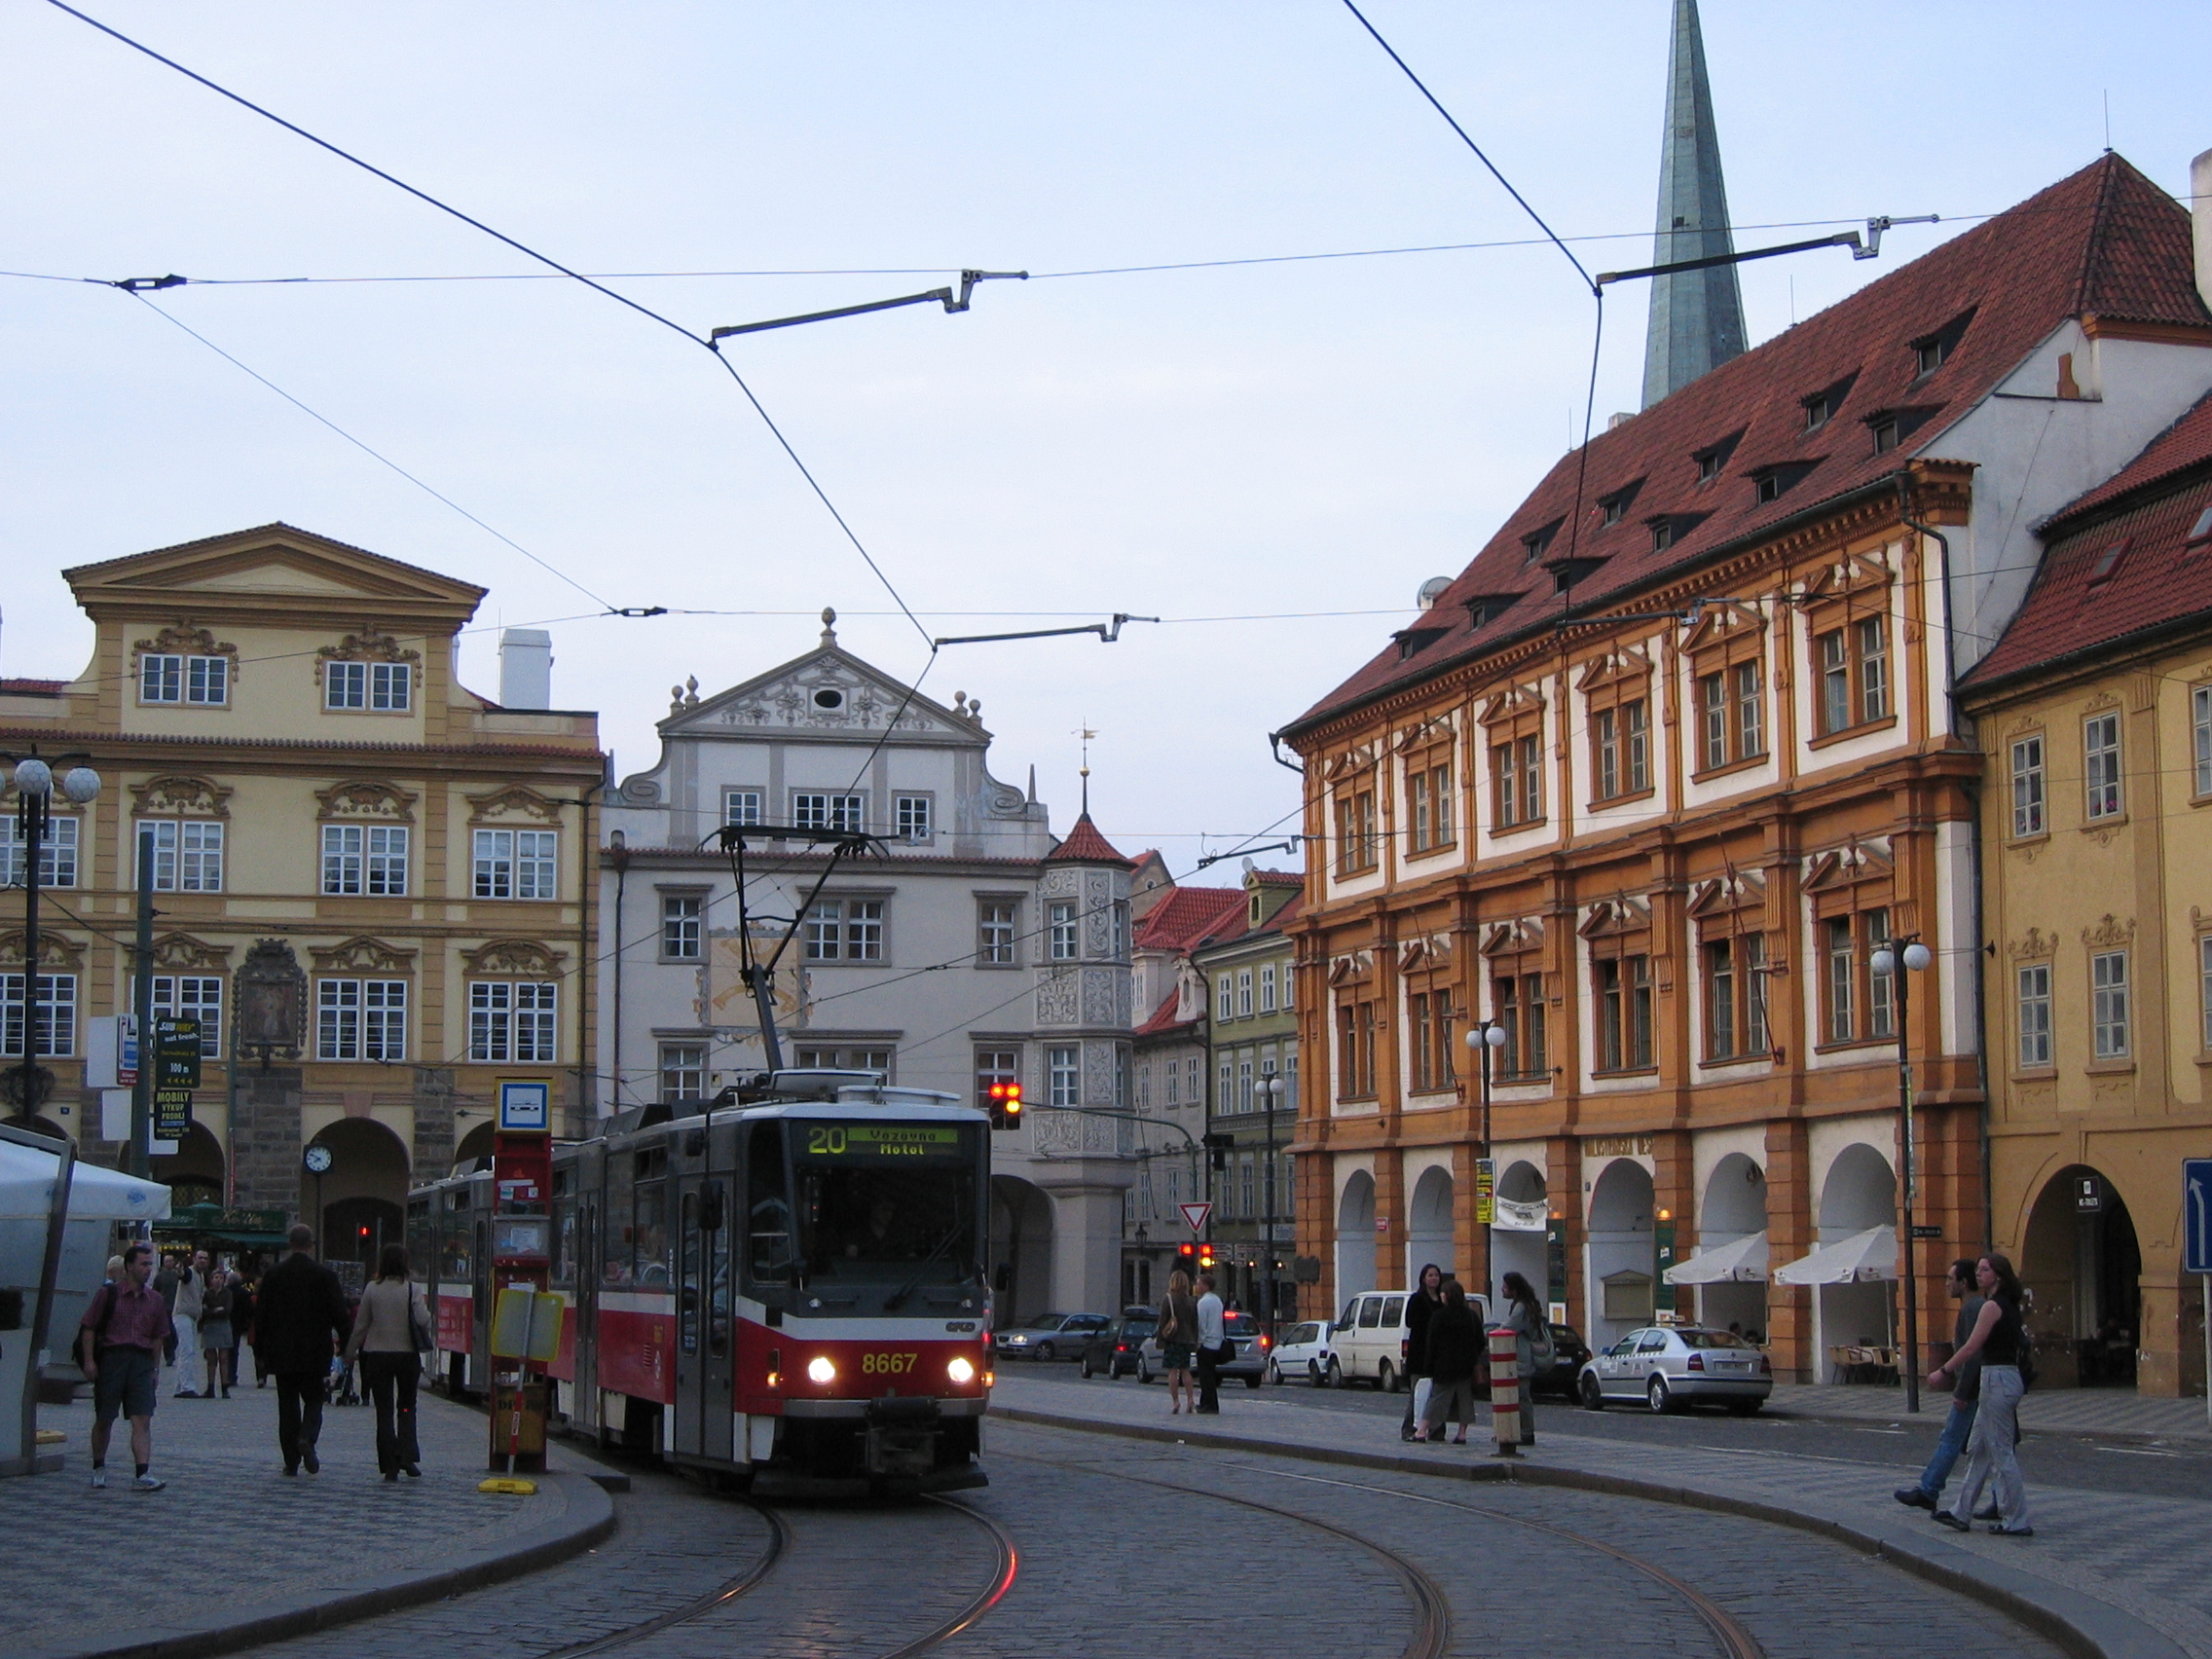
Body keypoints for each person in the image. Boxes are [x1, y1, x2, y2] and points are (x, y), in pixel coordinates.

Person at [1929, 1254, 2034, 1537]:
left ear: (1998, 1275)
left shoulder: (1992, 1306)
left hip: (1998, 1378)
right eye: (1978, 1269)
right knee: (1978, 1449)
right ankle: (1961, 1511)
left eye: (1984, 1269)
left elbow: (1971, 1347)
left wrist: (1943, 1370)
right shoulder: (2007, 1305)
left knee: (2001, 1452)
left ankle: (2017, 1519)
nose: (1978, 1273)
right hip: (1999, 1378)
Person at [1897, 1259, 1995, 1516]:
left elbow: (1973, 1353)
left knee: (1952, 1438)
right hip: (1983, 1387)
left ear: (1964, 1282)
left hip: (1973, 1390)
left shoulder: (1973, 1308)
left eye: (1951, 1279)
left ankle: (1929, 1490)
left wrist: (1962, 1390)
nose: (1947, 1284)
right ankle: (1999, 1498)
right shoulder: (1976, 1307)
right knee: (1993, 1446)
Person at [254, 1224, 352, 1475]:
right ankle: (307, 1437)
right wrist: (346, 1346)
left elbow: (261, 1316)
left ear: (290, 1243)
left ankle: (291, 1461)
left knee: (287, 1405)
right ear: (310, 1245)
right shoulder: (325, 1275)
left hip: (282, 1351)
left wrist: (260, 1353)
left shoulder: (274, 1275)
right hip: (315, 1350)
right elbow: (340, 1315)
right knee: (314, 1399)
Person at [77, 1242, 173, 1491]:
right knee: (105, 1417)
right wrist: (89, 1361)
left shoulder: (155, 1300)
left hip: (141, 1361)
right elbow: (89, 1327)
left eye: (150, 1264)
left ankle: (143, 1472)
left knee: (142, 1418)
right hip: (112, 1359)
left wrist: (155, 1370)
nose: (148, 1269)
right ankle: (99, 1467)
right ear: (129, 1266)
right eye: (143, 1264)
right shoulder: (109, 1294)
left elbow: (158, 1337)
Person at [345, 1243, 428, 1481]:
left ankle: (389, 1463)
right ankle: (407, 1455)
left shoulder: (372, 1289)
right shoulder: (412, 1289)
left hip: (377, 1356)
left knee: (384, 1410)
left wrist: (350, 1351)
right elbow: (423, 1319)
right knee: (406, 1406)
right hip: (406, 1356)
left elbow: (361, 1325)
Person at [1414, 1278, 1482, 1444]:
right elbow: (1480, 1340)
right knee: (1465, 1399)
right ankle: (1462, 1434)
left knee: (1437, 1398)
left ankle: (1421, 1430)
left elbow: (1432, 1343)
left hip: (1443, 1366)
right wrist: (1472, 1357)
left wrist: (1429, 1367)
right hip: (1465, 1365)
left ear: (1446, 1296)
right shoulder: (1471, 1315)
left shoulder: (1439, 1316)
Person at [1500, 1272, 1548, 1447]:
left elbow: (1508, 1327)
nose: (1502, 1289)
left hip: (1520, 1356)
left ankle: (1525, 1432)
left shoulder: (1520, 1307)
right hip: (1524, 1356)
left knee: (1521, 1396)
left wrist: (1493, 1332)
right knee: (1521, 1395)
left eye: (1505, 1286)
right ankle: (1522, 1431)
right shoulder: (1529, 1304)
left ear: (1514, 1288)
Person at [1400, 1263, 1444, 1441]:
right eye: (1430, 1275)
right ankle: (1410, 1427)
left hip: (1437, 1353)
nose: (1434, 1278)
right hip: (1419, 1352)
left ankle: (1436, 1429)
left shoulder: (1442, 1299)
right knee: (1417, 1393)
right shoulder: (1417, 1299)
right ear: (1423, 1279)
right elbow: (1410, 1321)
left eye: (1436, 1275)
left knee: (1437, 1394)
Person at [1156, 1269, 1199, 1416]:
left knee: (1173, 1371)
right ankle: (1191, 1400)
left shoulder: (1168, 1299)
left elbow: (1162, 1322)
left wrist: (1161, 1341)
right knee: (1186, 1370)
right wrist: (1194, 1341)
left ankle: (1176, 1402)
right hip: (1187, 1339)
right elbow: (1194, 1324)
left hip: (1173, 1339)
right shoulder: (1191, 1301)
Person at [170, 1250, 207, 1397]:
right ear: (194, 1259)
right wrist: (179, 1270)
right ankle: (187, 1387)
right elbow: (183, 1275)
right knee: (187, 1351)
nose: (202, 1261)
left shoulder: (201, 1276)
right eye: (200, 1258)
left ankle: (180, 1387)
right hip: (183, 1315)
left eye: (205, 1258)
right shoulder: (190, 1272)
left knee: (186, 1351)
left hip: (191, 1317)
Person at [199, 1263, 236, 1399]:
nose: (218, 1280)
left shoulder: (227, 1293)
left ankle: (225, 1387)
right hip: (209, 1326)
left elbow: (227, 1310)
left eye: (220, 1278)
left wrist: (212, 1310)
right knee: (211, 1359)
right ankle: (210, 1387)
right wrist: (216, 1310)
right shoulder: (207, 1294)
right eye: (216, 1277)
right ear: (211, 1279)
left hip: (223, 1325)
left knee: (224, 1358)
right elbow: (203, 1310)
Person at [1193, 1272, 1226, 1414]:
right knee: (1210, 1375)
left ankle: (1210, 1404)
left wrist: (1199, 1342)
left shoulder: (1203, 1303)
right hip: (1217, 1342)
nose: (1196, 1287)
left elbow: (1201, 1324)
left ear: (1205, 1286)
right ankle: (1205, 1402)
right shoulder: (1217, 1300)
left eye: (1199, 1284)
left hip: (1206, 1343)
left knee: (1205, 1377)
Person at [226, 1269, 255, 1391]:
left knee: (225, 1351)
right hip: (238, 1324)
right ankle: (232, 1375)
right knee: (234, 1350)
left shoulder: (225, 1291)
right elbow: (250, 1310)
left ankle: (225, 1374)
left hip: (225, 1322)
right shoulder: (244, 1293)